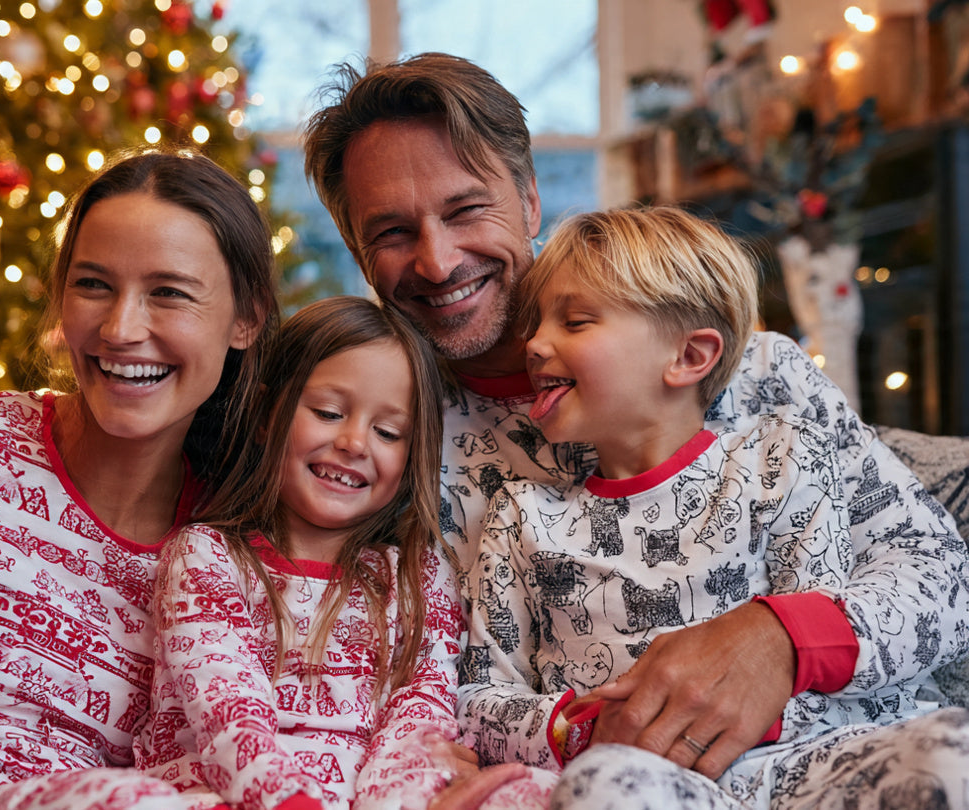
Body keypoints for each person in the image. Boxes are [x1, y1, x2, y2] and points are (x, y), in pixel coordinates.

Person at [302, 52, 969, 806]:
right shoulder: (381, 451)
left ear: (527, 200)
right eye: (391, 231)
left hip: (837, 757)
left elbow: (943, 576)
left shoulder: (758, 381)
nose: (437, 258)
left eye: (464, 210)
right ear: (359, 254)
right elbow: (412, 684)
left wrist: (781, 638)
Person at [463, 205, 969, 807]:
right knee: (602, 788)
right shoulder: (522, 516)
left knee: (951, 747)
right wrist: (581, 730)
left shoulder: (781, 459)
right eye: (537, 323)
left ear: (689, 357)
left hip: (812, 758)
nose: (535, 344)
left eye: (574, 322)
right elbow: (478, 697)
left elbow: (821, 644)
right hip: (650, 779)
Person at [0, 150, 281, 809]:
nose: (120, 328)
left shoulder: (238, 554)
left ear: (245, 318)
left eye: (168, 292)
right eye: (94, 285)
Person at [136, 296, 539, 810]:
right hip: (222, 794)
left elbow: (420, 718)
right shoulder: (205, 556)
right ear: (266, 414)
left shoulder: (418, 575)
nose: (353, 442)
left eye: (388, 432)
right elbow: (225, 709)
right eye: (329, 413)